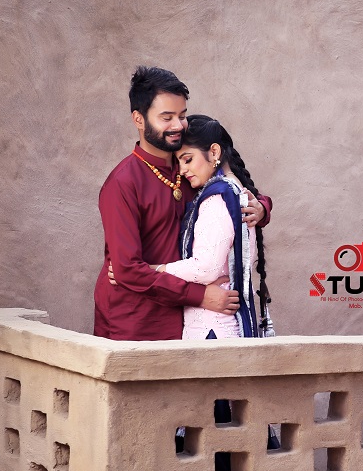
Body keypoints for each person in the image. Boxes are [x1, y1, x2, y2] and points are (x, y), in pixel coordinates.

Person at [94, 66, 272, 341]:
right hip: (134, 322)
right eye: (167, 118)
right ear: (139, 119)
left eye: (182, 115)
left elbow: (231, 188)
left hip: (186, 321)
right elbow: (127, 271)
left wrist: (261, 207)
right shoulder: (123, 183)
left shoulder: (188, 170)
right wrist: (200, 296)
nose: (178, 125)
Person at [154, 115, 275, 339]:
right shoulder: (235, 191)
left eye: (188, 159)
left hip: (211, 328)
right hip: (222, 323)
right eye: (179, 162)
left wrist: (154, 270)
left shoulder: (217, 198)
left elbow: (205, 267)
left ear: (214, 152)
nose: (182, 170)